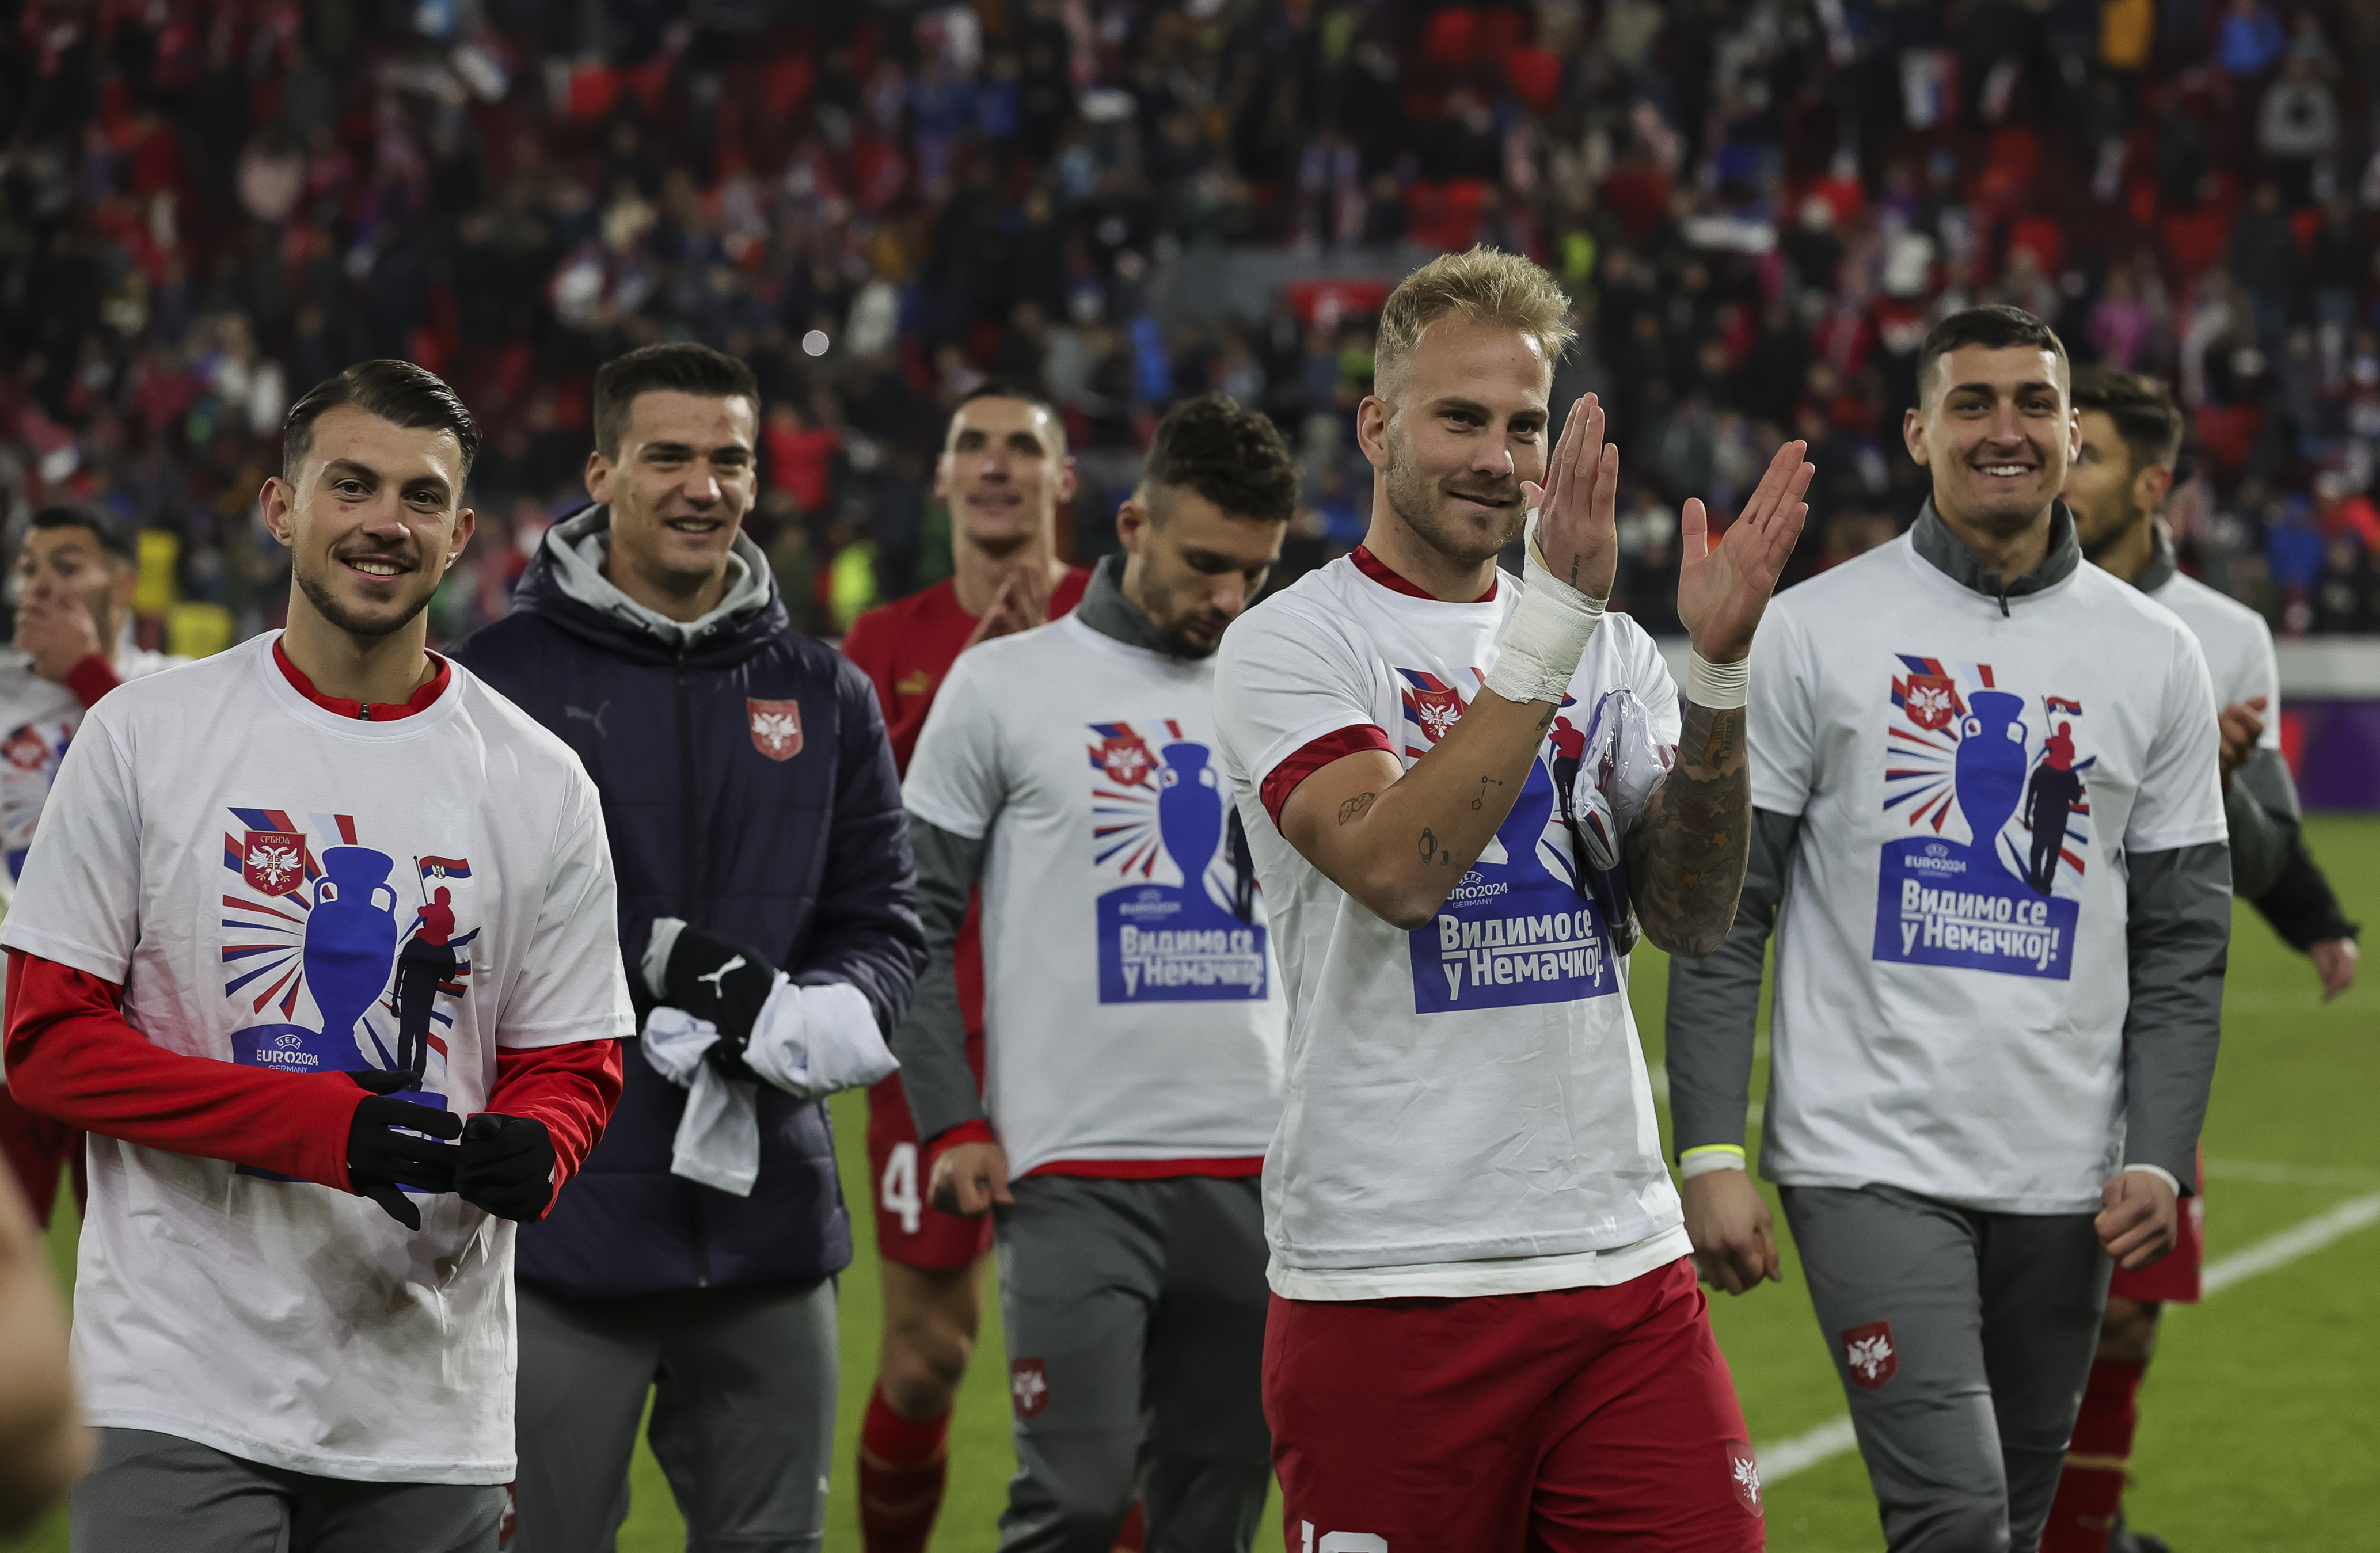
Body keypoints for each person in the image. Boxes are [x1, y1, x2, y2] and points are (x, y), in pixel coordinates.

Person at [1211, 246, 1812, 1548]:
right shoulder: (1293, 642)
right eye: (1458, 418)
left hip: (1615, 1259)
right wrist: (1549, 627)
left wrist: (1712, 679)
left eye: (1523, 424)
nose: (1496, 456)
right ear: (1376, 427)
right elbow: (1391, 870)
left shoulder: (1609, 645)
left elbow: (1690, 912)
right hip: (1386, 1273)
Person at [0, 359, 633, 1551]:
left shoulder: (542, 780)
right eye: (351, 485)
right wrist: (320, 1125)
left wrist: (540, 1141)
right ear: (283, 508)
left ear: (458, 539)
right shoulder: (146, 737)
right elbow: (47, 1048)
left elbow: (575, 1054)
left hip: (427, 1395)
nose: (384, 521)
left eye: (421, 496)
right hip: (176, 1383)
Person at [1666, 307, 2231, 1553]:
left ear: (2076, 433)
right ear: (1921, 432)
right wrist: (1709, 1145)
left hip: (2068, 1172)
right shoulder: (1816, 627)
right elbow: (1724, 909)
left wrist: (2160, 1148)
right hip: (1865, 1157)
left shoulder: (2161, 657)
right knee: (1960, 1516)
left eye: (2034, 402)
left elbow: (2188, 939)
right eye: (1972, 403)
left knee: (2009, 1530)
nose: (2006, 428)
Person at [455, 341, 925, 1553]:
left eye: (730, 459)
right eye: (668, 455)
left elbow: (883, 917)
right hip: (564, 1226)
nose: (701, 485)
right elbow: (452, 925)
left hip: (769, 1222)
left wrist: (822, 1008)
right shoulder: (492, 683)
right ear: (603, 472)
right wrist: (647, 968)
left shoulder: (827, 691)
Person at [895, 394, 1295, 1550]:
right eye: (1207, 564)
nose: (1227, 601)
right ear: (1132, 523)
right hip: (1069, 1172)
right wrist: (949, 1116)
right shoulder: (1005, 685)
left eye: (1255, 575)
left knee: (1214, 1512)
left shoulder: (1279, 691)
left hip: (1261, 1170)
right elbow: (914, 918)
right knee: (1071, 1502)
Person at [2044, 367, 2360, 1553]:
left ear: (2155, 482)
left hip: (2146, 1020)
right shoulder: (2009, 605)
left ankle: (2083, 1530)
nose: (2060, 471)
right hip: (2006, 996)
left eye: (2090, 454)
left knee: (2128, 1317)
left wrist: (2222, 787)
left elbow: (2269, 846)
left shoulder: (2226, 638)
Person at [838, 382, 1093, 1553]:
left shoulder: (1120, 616)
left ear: (1065, 483)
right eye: (972, 447)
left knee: (1108, 1372)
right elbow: (853, 838)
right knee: (929, 1357)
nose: (996, 466)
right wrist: (962, 700)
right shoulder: (884, 642)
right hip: (941, 1033)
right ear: (940, 480)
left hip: (1098, 1041)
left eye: (1022, 448)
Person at [0, 506, 179, 1228]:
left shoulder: (175, 689)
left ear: (124, 585)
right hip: (11, 1018)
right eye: (28, 568)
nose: (40, 586)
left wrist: (84, 668)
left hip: (133, 1032)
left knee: (142, 1276)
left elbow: (180, 805)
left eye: (68, 567)